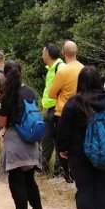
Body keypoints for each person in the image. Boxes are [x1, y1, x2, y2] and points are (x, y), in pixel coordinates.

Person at [57, 67, 105, 209]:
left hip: (80, 151)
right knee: (103, 186)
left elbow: (63, 128)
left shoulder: (74, 102)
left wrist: (63, 148)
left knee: (84, 187)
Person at [0, 61, 44, 209]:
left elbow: (3, 121)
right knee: (30, 179)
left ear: (5, 76)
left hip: (15, 142)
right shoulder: (30, 92)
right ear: (21, 72)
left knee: (16, 181)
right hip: (31, 141)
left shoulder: (8, 95)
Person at [47, 40, 84, 188]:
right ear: (76, 52)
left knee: (62, 145)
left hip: (62, 111)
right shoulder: (82, 68)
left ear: (63, 53)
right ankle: (77, 176)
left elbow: (51, 93)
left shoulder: (63, 71)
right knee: (77, 144)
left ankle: (67, 177)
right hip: (81, 111)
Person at [40, 43, 64, 178]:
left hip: (57, 109)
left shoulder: (60, 67)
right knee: (46, 139)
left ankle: (58, 172)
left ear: (47, 54)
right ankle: (43, 168)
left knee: (58, 141)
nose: (42, 55)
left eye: (43, 53)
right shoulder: (51, 69)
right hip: (48, 108)